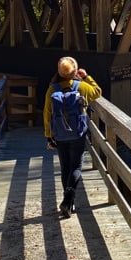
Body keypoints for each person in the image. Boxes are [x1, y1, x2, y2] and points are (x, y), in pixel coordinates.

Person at [43, 56, 101, 218]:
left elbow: (47, 114)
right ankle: (69, 201)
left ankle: (68, 201)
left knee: (65, 168)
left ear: (59, 72)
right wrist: (86, 77)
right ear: (75, 71)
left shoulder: (52, 89)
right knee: (75, 167)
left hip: (60, 135)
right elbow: (97, 92)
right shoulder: (82, 87)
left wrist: (49, 136)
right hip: (78, 134)